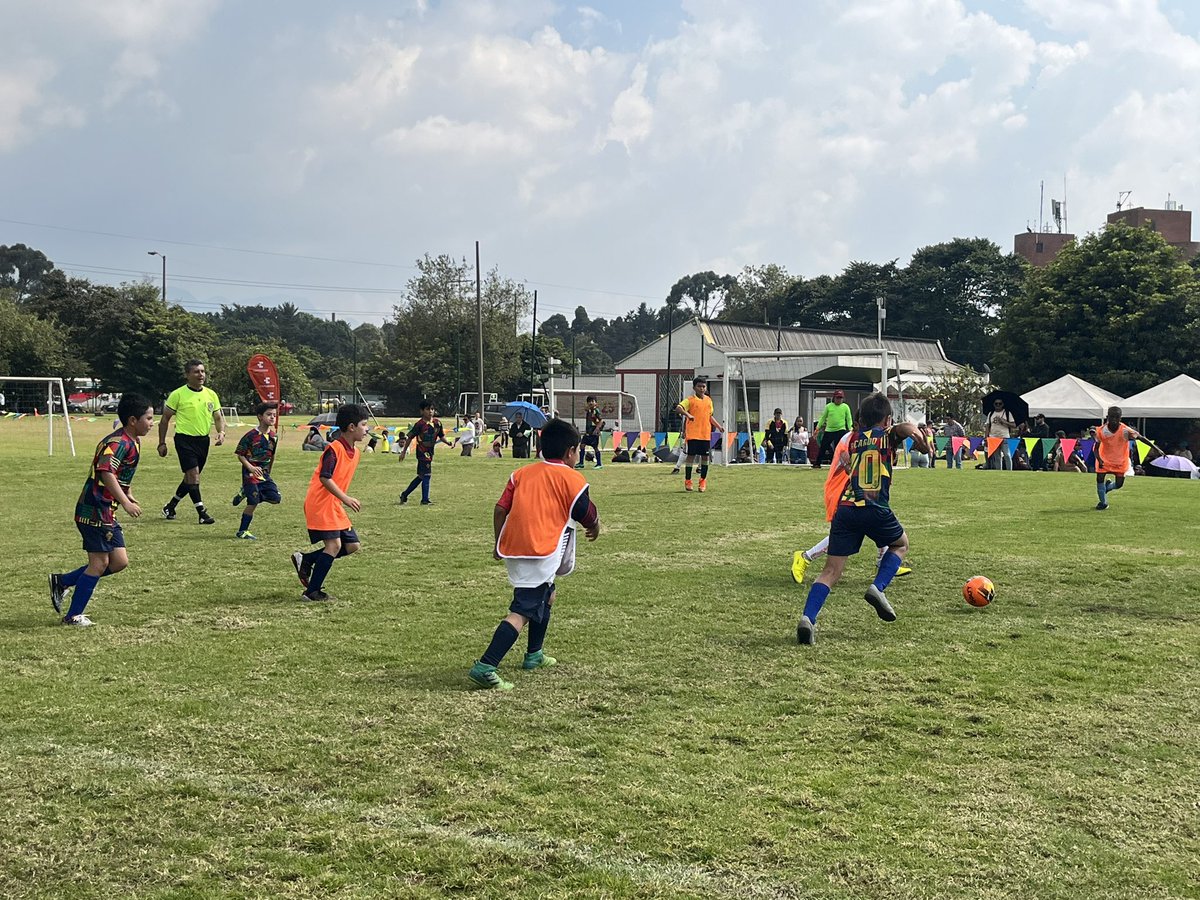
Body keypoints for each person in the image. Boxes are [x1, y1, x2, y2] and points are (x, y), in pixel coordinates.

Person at [468, 418, 601, 690]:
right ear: (570, 452)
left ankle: (534, 654)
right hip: (540, 550)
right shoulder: (572, 477)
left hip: (514, 546)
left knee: (547, 594)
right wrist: (595, 524)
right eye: (578, 451)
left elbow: (500, 509)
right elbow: (584, 511)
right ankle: (486, 665)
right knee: (522, 610)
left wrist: (498, 542)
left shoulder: (521, 474)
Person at [796, 392, 928, 645]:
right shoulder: (887, 435)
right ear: (887, 420)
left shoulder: (854, 439)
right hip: (874, 506)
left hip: (846, 508)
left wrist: (848, 467)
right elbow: (904, 428)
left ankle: (807, 618)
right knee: (901, 544)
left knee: (831, 571)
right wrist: (916, 435)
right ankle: (878, 587)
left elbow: (857, 467)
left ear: (860, 420)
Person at [49, 394, 153, 626]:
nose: (152, 423)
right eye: (148, 418)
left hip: (107, 511)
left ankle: (63, 581)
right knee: (99, 563)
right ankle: (73, 616)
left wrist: (127, 492)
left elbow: (121, 473)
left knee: (119, 562)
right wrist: (125, 502)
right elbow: (106, 472)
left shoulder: (133, 441)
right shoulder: (117, 443)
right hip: (94, 510)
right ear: (133, 420)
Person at [790, 430, 912, 585]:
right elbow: (851, 466)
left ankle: (884, 560)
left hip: (860, 490)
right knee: (849, 530)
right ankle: (805, 556)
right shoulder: (852, 438)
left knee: (873, 520)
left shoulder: (867, 435)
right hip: (844, 489)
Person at [290, 403, 368, 602]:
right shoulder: (334, 449)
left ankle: (306, 559)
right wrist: (346, 498)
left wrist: (341, 499)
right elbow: (325, 477)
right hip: (320, 503)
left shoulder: (356, 452)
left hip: (334, 504)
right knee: (333, 545)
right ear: (351, 427)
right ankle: (312, 592)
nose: (367, 429)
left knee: (352, 545)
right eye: (364, 425)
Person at [158, 360, 225, 524]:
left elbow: (218, 417)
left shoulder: (211, 394)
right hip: (184, 440)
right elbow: (165, 419)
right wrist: (162, 442)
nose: (201, 375)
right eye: (196, 372)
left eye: (202, 371)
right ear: (187, 375)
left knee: (191, 478)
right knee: (193, 475)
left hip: (203, 441)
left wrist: (221, 432)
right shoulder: (178, 394)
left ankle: (171, 506)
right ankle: (202, 514)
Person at [231, 402, 280, 540]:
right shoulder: (250, 435)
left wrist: (269, 471)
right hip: (250, 473)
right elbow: (240, 455)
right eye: (269, 414)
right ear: (260, 416)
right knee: (253, 502)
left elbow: (272, 455)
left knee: (276, 498)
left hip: (264, 474)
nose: (272, 417)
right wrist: (251, 467)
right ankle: (242, 531)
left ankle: (246, 492)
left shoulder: (274, 436)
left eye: (274, 415)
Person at [1094, 406, 1157, 510]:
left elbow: (1141, 438)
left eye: (1117, 417)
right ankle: (1103, 503)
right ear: (1107, 417)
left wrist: (1156, 448)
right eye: (1112, 417)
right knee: (1099, 478)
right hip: (1104, 460)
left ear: (1120, 418)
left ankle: (1109, 486)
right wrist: (1099, 459)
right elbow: (1095, 448)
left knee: (1119, 485)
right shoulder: (1101, 431)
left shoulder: (1126, 430)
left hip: (1120, 461)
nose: (1114, 419)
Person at [674, 376, 725, 492]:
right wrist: (688, 415)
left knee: (705, 457)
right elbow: (678, 408)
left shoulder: (709, 400)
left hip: (705, 434)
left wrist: (718, 426)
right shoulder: (690, 400)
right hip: (693, 434)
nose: (701, 388)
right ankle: (688, 480)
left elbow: (709, 416)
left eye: (703, 386)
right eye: (699, 386)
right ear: (694, 388)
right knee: (691, 456)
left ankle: (702, 481)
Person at [399, 400, 453, 505]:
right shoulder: (419, 424)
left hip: (430, 451)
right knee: (427, 475)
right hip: (422, 452)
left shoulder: (437, 423)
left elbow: (441, 436)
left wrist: (448, 443)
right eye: (428, 409)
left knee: (421, 476)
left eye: (432, 409)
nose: (430, 411)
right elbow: (409, 438)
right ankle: (425, 500)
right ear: (422, 411)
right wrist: (403, 452)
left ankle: (405, 494)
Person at [811, 389, 853, 469]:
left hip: (841, 430)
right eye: (837, 398)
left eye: (840, 398)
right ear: (834, 398)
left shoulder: (845, 407)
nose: (839, 399)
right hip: (829, 430)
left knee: (840, 449)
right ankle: (817, 463)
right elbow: (823, 418)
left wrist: (851, 429)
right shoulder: (829, 406)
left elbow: (849, 419)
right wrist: (817, 428)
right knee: (823, 447)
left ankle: (841, 464)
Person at [985, 397, 1017, 470]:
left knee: (1007, 455)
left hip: (1004, 437)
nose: (998, 405)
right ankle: (998, 471)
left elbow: (1014, 425)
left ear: (1003, 404)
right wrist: (986, 437)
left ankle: (1009, 471)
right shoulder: (991, 413)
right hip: (993, 437)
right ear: (993, 404)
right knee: (997, 456)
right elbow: (987, 426)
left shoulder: (1007, 413)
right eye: (996, 404)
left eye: (1000, 403)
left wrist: (1004, 421)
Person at [577, 395, 604, 469]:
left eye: (592, 401)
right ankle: (581, 463)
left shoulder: (596, 411)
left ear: (596, 403)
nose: (591, 403)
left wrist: (597, 429)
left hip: (593, 432)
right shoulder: (589, 411)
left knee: (595, 447)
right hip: (588, 432)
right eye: (589, 401)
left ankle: (599, 464)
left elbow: (601, 420)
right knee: (582, 445)